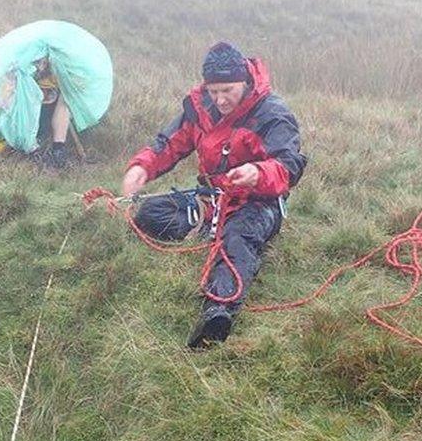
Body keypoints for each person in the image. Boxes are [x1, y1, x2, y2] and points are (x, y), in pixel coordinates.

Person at [121, 42, 307, 348]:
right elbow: (170, 142)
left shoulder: (273, 113)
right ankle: (204, 223)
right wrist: (142, 168)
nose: (219, 99)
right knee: (149, 214)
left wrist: (258, 173)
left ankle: (218, 311)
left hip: (258, 201)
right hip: (213, 197)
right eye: (213, 90)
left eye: (228, 90)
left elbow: (288, 167)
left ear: (245, 83)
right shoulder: (200, 106)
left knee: (237, 238)